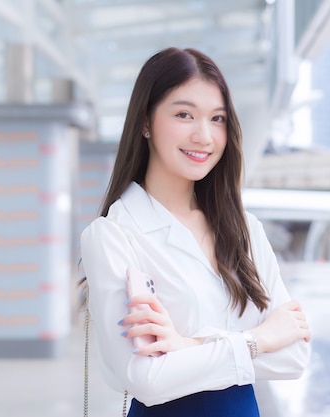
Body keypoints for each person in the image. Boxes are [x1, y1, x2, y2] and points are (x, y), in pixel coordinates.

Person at [79, 47, 311, 416]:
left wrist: (189, 345)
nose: (204, 135)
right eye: (184, 114)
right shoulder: (113, 236)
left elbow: (295, 356)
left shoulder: (246, 230)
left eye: (217, 118)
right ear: (145, 122)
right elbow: (148, 379)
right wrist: (258, 340)